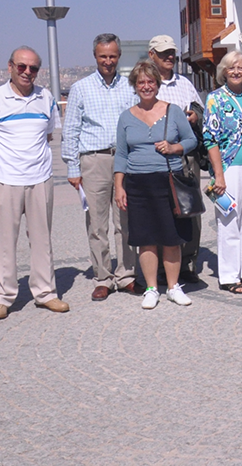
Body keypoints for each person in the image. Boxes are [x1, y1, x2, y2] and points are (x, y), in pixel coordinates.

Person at [0, 46, 69, 320]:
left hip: (40, 179)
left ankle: (46, 293)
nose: (28, 72)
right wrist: (1, 165)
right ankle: (2, 298)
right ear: (10, 67)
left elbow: (48, 134)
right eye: (22, 67)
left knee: (42, 240)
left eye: (34, 68)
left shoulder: (46, 97)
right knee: (3, 241)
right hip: (4, 180)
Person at [61, 34, 139, 301]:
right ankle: (103, 277)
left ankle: (126, 274)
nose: (108, 61)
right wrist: (73, 167)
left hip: (124, 160)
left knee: (126, 221)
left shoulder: (129, 87)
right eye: (103, 56)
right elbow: (70, 129)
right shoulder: (81, 88)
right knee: (97, 223)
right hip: (93, 160)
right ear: (95, 56)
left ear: (119, 57)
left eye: (113, 56)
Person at [113, 61, 196, 310]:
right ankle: (151, 288)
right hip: (138, 183)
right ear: (135, 86)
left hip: (168, 180)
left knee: (171, 238)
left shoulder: (173, 111)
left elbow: (191, 139)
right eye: (141, 82)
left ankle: (173, 287)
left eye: (151, 82)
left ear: (158, 85)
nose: (146, 86)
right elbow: (121, 154)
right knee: (146, 239)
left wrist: (174, 148)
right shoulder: (126, 117)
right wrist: (120, 186)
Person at [203, 52, 242, 294]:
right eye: (232, 68)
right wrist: (218, 175)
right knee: (230, 218)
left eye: (241, 68)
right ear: (224, 71)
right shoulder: (215, 99)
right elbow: (210, 138)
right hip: (230, 167)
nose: (237, 72)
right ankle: (229, 275)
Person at [147, 35, 205, 284]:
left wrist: (195, 116)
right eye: (163, 53)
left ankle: (187, 263)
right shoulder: (146, 84)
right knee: (161, 211)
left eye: (172, 52)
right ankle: (161, 267)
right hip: (156, 156)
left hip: (185, 155)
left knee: (189, 209)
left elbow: (201, 110)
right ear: (152, 56)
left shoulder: (185, 83)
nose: (169, 57)